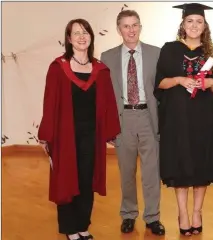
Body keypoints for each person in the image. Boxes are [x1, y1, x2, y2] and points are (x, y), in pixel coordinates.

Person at [38, 19, 121, 240]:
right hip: (65, 134)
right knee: (66, 180)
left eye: (85, 32)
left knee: (86, 179)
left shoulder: (100, 69)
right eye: (76, 33)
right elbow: (49, 102)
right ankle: (69, 228)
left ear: (91, 37)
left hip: (90, 135)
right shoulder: (58, 67)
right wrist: (46, 134)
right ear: (69, 39)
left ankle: (83, 225)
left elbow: (109, 101)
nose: (81, 36)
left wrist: (110, 130)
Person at [154, 3, 213, 236]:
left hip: (202, 119)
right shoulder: (169, 50)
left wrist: (211, 83)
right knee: (181, 165)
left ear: (205, 26)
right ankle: (182, 212)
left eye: (199, 21)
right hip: (177, 119)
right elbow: (160, 84)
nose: (194, 26)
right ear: (182, 24)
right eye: (190, 21)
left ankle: (197, 212)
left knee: (201, 165)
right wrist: (179, 80)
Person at [100, 10, 165, 236]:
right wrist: (107, 127)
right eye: (126, 26)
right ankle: (128, 214)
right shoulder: (107, 57)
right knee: (126, 172)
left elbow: (163, 90)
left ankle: (153, 217)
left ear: (140, 26)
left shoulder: (156, 54)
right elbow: (105, 96)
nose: (131, 30)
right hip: (123, 120)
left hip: (149, 117)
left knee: (151, 172)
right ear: (119, 30)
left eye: (135, 25)